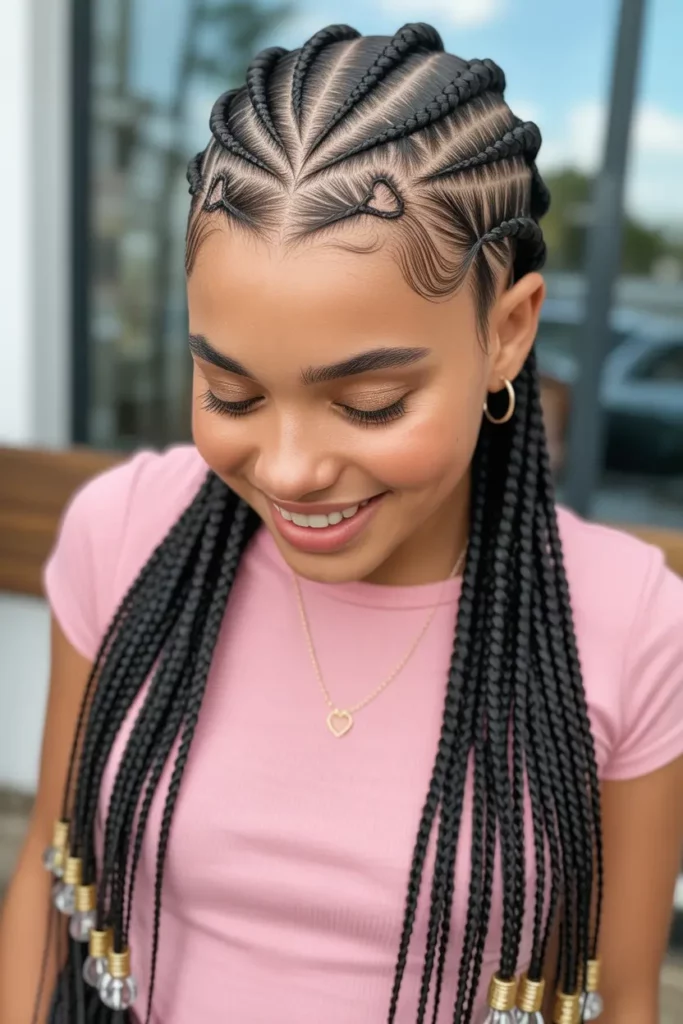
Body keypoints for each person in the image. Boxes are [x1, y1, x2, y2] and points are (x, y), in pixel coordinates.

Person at [1, 21, 682, 1024]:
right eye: (230, 392)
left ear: (506, 331)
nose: (289, 469)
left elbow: (616, 996)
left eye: (368, 403)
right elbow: (47, 876)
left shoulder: (626, 626)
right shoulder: (127, 535)